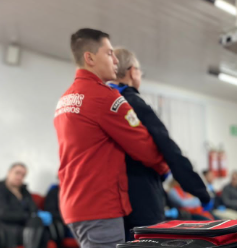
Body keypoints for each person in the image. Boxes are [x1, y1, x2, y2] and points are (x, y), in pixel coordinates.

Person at [54, 28, 169, 248]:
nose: (115, 60)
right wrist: (164, 167)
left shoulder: (65, 99)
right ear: (89, 58)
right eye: (109, 53)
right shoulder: (104, 97)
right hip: (100, 207)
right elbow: (142, 145)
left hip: (74, 204)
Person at [107, 48, 211, 239]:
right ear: (132, 71)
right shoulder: (134, 104)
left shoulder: (104, 103)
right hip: (142, 197)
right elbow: (169, 149)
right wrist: (200, 191)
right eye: (140, 71)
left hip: (111, 200)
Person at [0, 163, 52, 248]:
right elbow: (3, 213)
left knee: (42, 229)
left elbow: (33, 209)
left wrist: (32, 215)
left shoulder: (24, 191)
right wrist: (29, 215)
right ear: (9, 172)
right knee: (37, 225)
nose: (19, 177)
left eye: (23, 175)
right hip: (3, 229)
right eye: (17, 173)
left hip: (24, 228)